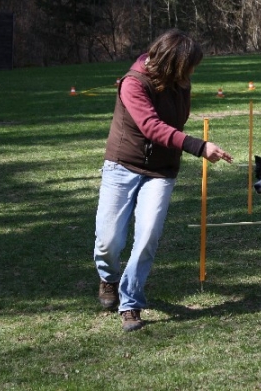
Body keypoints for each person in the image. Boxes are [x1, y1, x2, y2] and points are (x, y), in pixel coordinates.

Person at [93, 29, 233, 331]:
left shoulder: (181, 82)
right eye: (189, 66)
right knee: (109, 241)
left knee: (147, 237)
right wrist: (199, 146)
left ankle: (130, 303)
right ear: (173, 63)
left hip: (161, 171)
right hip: (122, 165)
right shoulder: (133, 83)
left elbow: (178, 118)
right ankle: (108, 277)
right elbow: (152, 127)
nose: (193, 73)